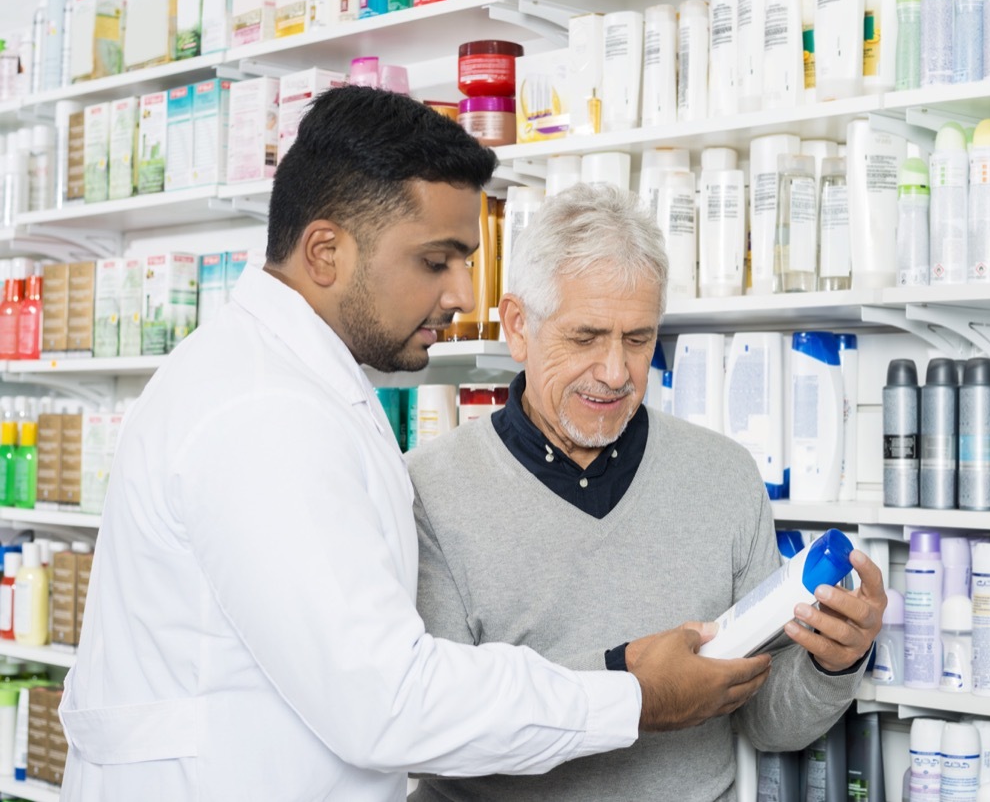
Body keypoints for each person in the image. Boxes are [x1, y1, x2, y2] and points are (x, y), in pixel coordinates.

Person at [58, 87, 773, 801]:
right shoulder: (262, 411)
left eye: (465, 259)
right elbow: (389, 698)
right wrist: (633, 695)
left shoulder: (307, 386)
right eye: (437, 260)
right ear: (327, 252)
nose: (464, 292)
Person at [407, 184, 887, 801]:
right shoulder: (431, 490)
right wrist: (630, 686)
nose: (615, 372)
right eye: (586, 338)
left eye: (637, 340)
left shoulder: (723, 475)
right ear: (519, 327)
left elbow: (771, 724)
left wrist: (834, 661)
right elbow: (433, 730)